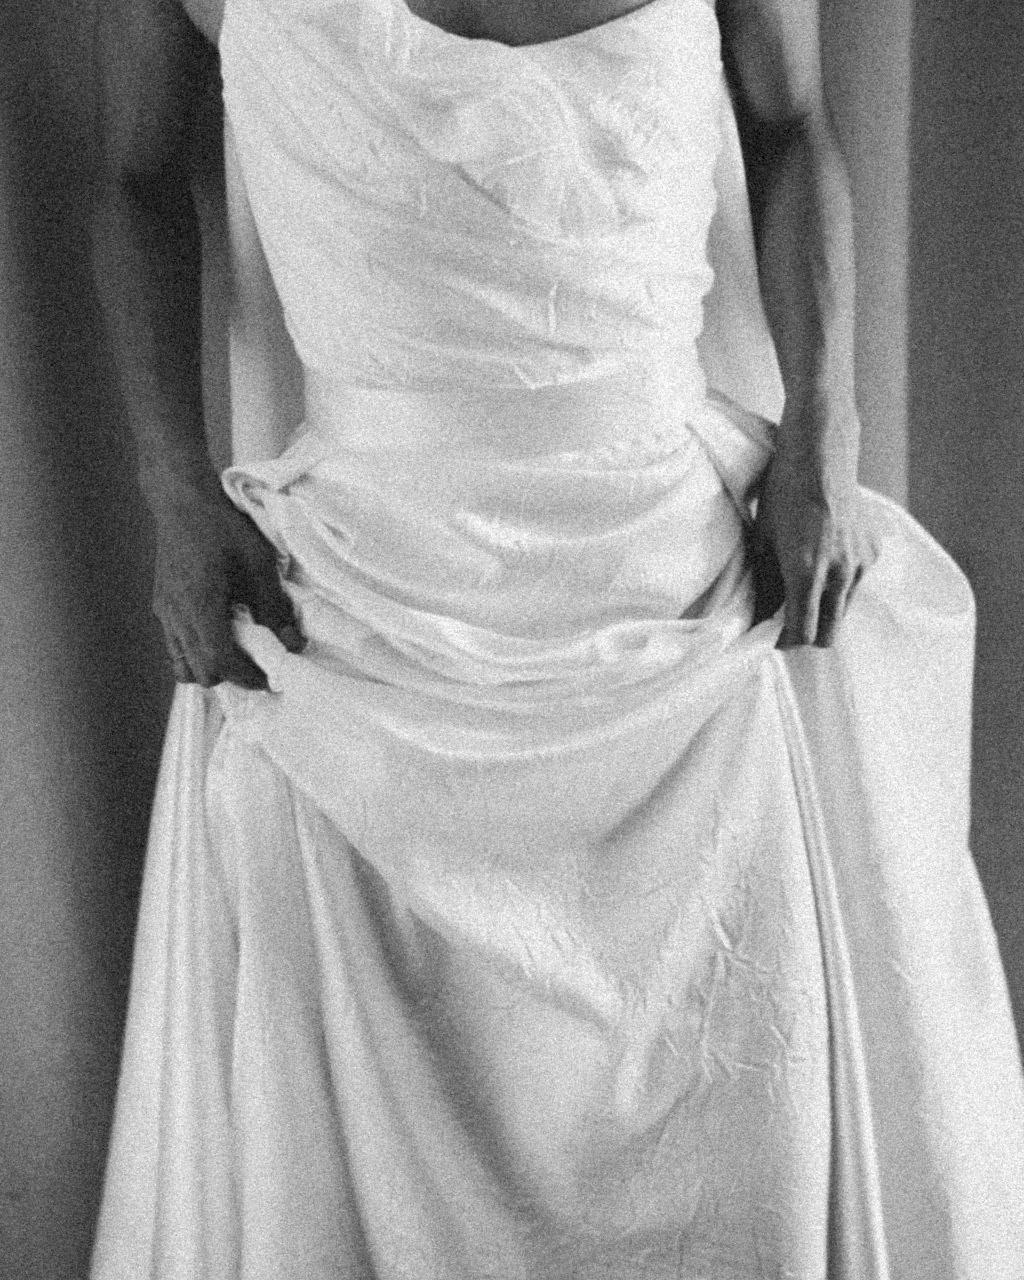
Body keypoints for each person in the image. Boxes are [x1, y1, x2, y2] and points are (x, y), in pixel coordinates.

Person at [89, 0, 1024, 1276]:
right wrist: (173, 492)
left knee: (743, 1106)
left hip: (680, 591)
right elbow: (138, 179)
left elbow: (792, 128)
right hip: (356, 614)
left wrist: (825, 429)